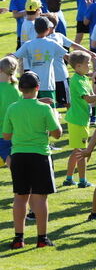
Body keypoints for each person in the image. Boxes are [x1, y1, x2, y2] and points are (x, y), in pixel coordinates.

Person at [4, 72, 62, 249]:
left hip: (19, 155)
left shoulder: (12, 108)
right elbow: (57, 134)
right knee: (40, 198)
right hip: (39, 155)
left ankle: (18, 238)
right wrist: (56, 118)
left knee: (20, 197)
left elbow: (6, 135)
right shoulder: (44, 109)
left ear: (20, 89)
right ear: (38, 88)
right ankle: (42, 238)